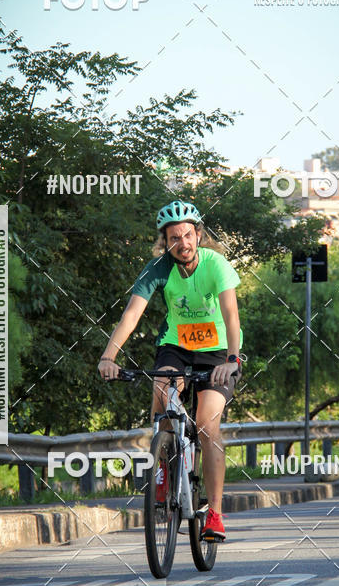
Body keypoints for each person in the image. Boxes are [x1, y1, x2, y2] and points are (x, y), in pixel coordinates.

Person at [98, 200, 242, 541]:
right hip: (176, 347)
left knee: (207, 426)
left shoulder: (215, 264)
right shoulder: (158, 268)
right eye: (174, 238)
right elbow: (131, 316)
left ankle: (216, 515)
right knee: (162, 392)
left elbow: (232, 315)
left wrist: (232, 360)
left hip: (218, 352)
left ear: (199, 235)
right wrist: (108, 356)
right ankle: (164, 466)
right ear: (165, 242)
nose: (183, 244)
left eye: (188, 236)